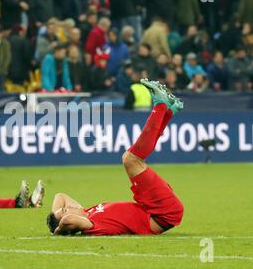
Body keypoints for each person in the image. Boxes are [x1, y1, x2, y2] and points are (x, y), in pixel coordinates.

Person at [46, 79, 184, 236]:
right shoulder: (90, 224)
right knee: (130, 160)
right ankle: (160, 106)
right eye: (65, 210)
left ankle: (168, 111)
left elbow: (60, 196)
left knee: (131, 159)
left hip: (152, 208)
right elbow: (66, 221)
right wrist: (59, 230)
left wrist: (55, 214)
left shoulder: (87, 212)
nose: (68, 207)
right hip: (163, 214)